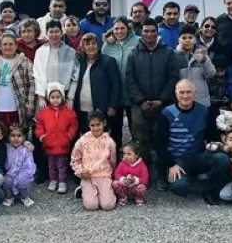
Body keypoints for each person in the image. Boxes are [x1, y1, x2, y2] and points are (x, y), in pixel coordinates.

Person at [156, 80, 230, 204]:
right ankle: (185, 177)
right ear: (176, 94)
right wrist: (171, 164)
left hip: (197, 156)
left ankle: (210, 190)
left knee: (222, 158)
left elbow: (212, 136)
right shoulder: (167, 113)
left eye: (189, 92)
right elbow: (159, 144)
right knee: (181, 188)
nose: (185, 96)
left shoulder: (204, 111)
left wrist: (217, 144)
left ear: (194, 93)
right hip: (177, 160)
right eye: (182, 92)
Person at [125, 18, 178, 173]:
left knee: (162, 138)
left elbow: (173, 78)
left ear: (157, 32)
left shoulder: (168, 53)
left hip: (163, 103)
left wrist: (161, 100)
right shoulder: (134, 54)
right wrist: (141, 101)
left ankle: (162, 173)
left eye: (152, 31)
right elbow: (130, 79)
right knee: (141, 139)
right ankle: (143, 172)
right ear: (141, 33)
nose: (149, 34)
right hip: (139, 104)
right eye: (146, 31)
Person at [68, 33, 123, 142]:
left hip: (101, 109)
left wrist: (112, 105)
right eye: (87, 44)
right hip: (81, 109)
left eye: (94, 43)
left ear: (98, 45)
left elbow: (116, 85)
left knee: (102, 140)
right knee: (86, 140)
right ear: (82, 47)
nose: (91, 46)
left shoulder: (108, 62)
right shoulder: (79, 62)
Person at [0, 32, 36, 130]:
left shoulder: (25, 61)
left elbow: (32, 83)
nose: (8, 47)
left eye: (11, 44)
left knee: (16, 138)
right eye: (4, 44)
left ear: (16, 45)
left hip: (17, 107)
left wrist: (30, 105)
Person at [70, 110, 118, 211]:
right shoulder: (82, 141)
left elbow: (113, 161)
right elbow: (75, 161)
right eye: (93, 125)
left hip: (104, 176)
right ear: (89, 125)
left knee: (107, 205)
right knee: (91, 206)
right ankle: (84, 190)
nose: (96, 128)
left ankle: (106, 192)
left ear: (104, 123)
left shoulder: (110, 142)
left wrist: (111, 174)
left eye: (98, 125)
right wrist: (80, 171)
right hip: (88, 177)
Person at [36, 82, 79, 194]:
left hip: (62, 144)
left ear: (62, 98)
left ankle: (62, 181)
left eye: (58, 97)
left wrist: (69, 136)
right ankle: (53, 180)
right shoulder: (44, 113)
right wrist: (42, 137)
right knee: (51, 165)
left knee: (62, 164)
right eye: (52, 97)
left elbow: (73, 125)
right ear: (48, 98)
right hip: (49, 144)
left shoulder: (68, 112)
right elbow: (39, 126)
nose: (55, 100)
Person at [34, 19, 78, 106]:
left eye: (57, 31)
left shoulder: (70, 52)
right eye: (51, 32)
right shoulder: (40, 51)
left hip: (64, 97)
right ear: (47, 34)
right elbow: (37, 75)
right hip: (45, 96)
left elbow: (75, 77)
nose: (54, 35)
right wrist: (41, 97)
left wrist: (70, 98)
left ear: (62, 33)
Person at [172, 25, 216, 109]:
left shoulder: (202, 52)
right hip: (183, 101)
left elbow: (211, 74)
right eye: (184, 38)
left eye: (190, 37)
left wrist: (204, 61)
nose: (187, 40)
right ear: (179, 40)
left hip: (201, 100)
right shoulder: (174, 56)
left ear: (195, 39)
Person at [2, 124, 37, 208]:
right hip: (9, 173)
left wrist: (21, 176)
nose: (16, 138)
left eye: (19, 136)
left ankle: (24, 197)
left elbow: (29, 164)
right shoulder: (6, 148)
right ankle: (9, 197)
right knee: (6, 182)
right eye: (13, 136)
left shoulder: (26, 149)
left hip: (23, 173)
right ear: (8, 137)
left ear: (24, 138)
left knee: (23, 182)